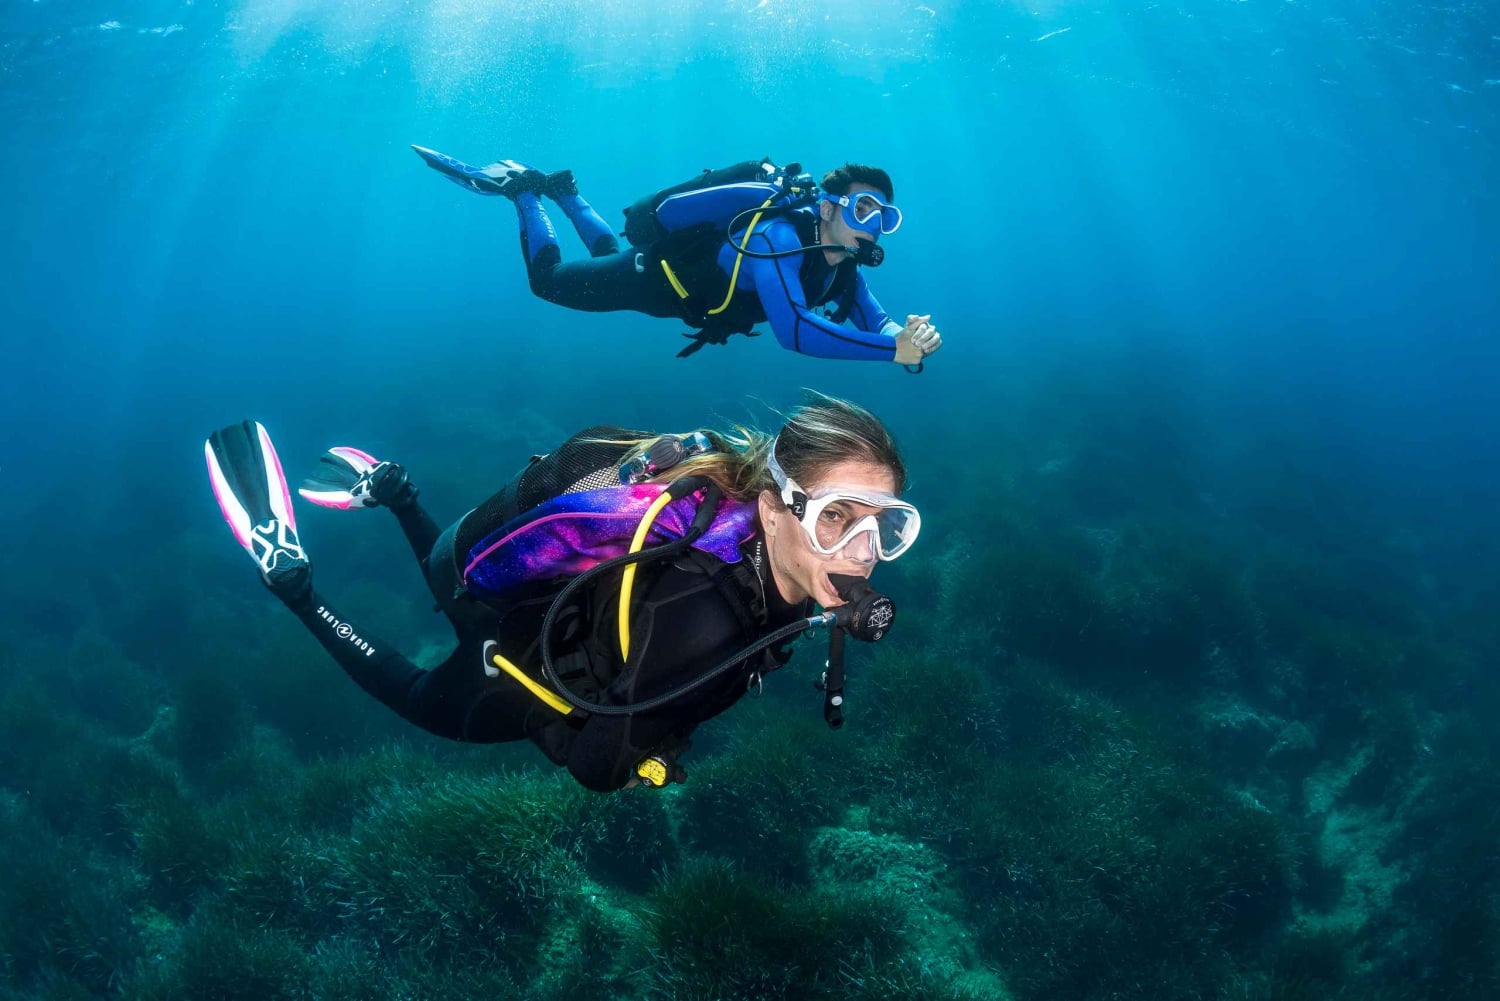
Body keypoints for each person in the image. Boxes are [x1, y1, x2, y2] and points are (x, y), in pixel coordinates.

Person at [204, 395, 921, 791]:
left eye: (885, 526)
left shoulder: (756, 542)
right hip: (523, 671)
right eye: (837, 516)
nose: (862, 553)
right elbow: (594, 768)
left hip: (545, 601)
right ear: (772, 509)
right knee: (425, 702)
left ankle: (397, 493)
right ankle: (293, 582)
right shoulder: (709, 620)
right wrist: (658, 754)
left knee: (452, 580)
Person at [412, 146, 943, 367]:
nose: (874, 227)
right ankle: (523, 190)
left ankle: (566, 191)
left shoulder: (843, 264)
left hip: (678, 292)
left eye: (884, 217)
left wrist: (905, 334)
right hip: (654, 280)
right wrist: (892, 351)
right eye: (864, 207)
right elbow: (796, 332)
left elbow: (873, 316)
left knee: (606, 255)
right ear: (827, 206)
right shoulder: (777, 237)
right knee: (548, 282)